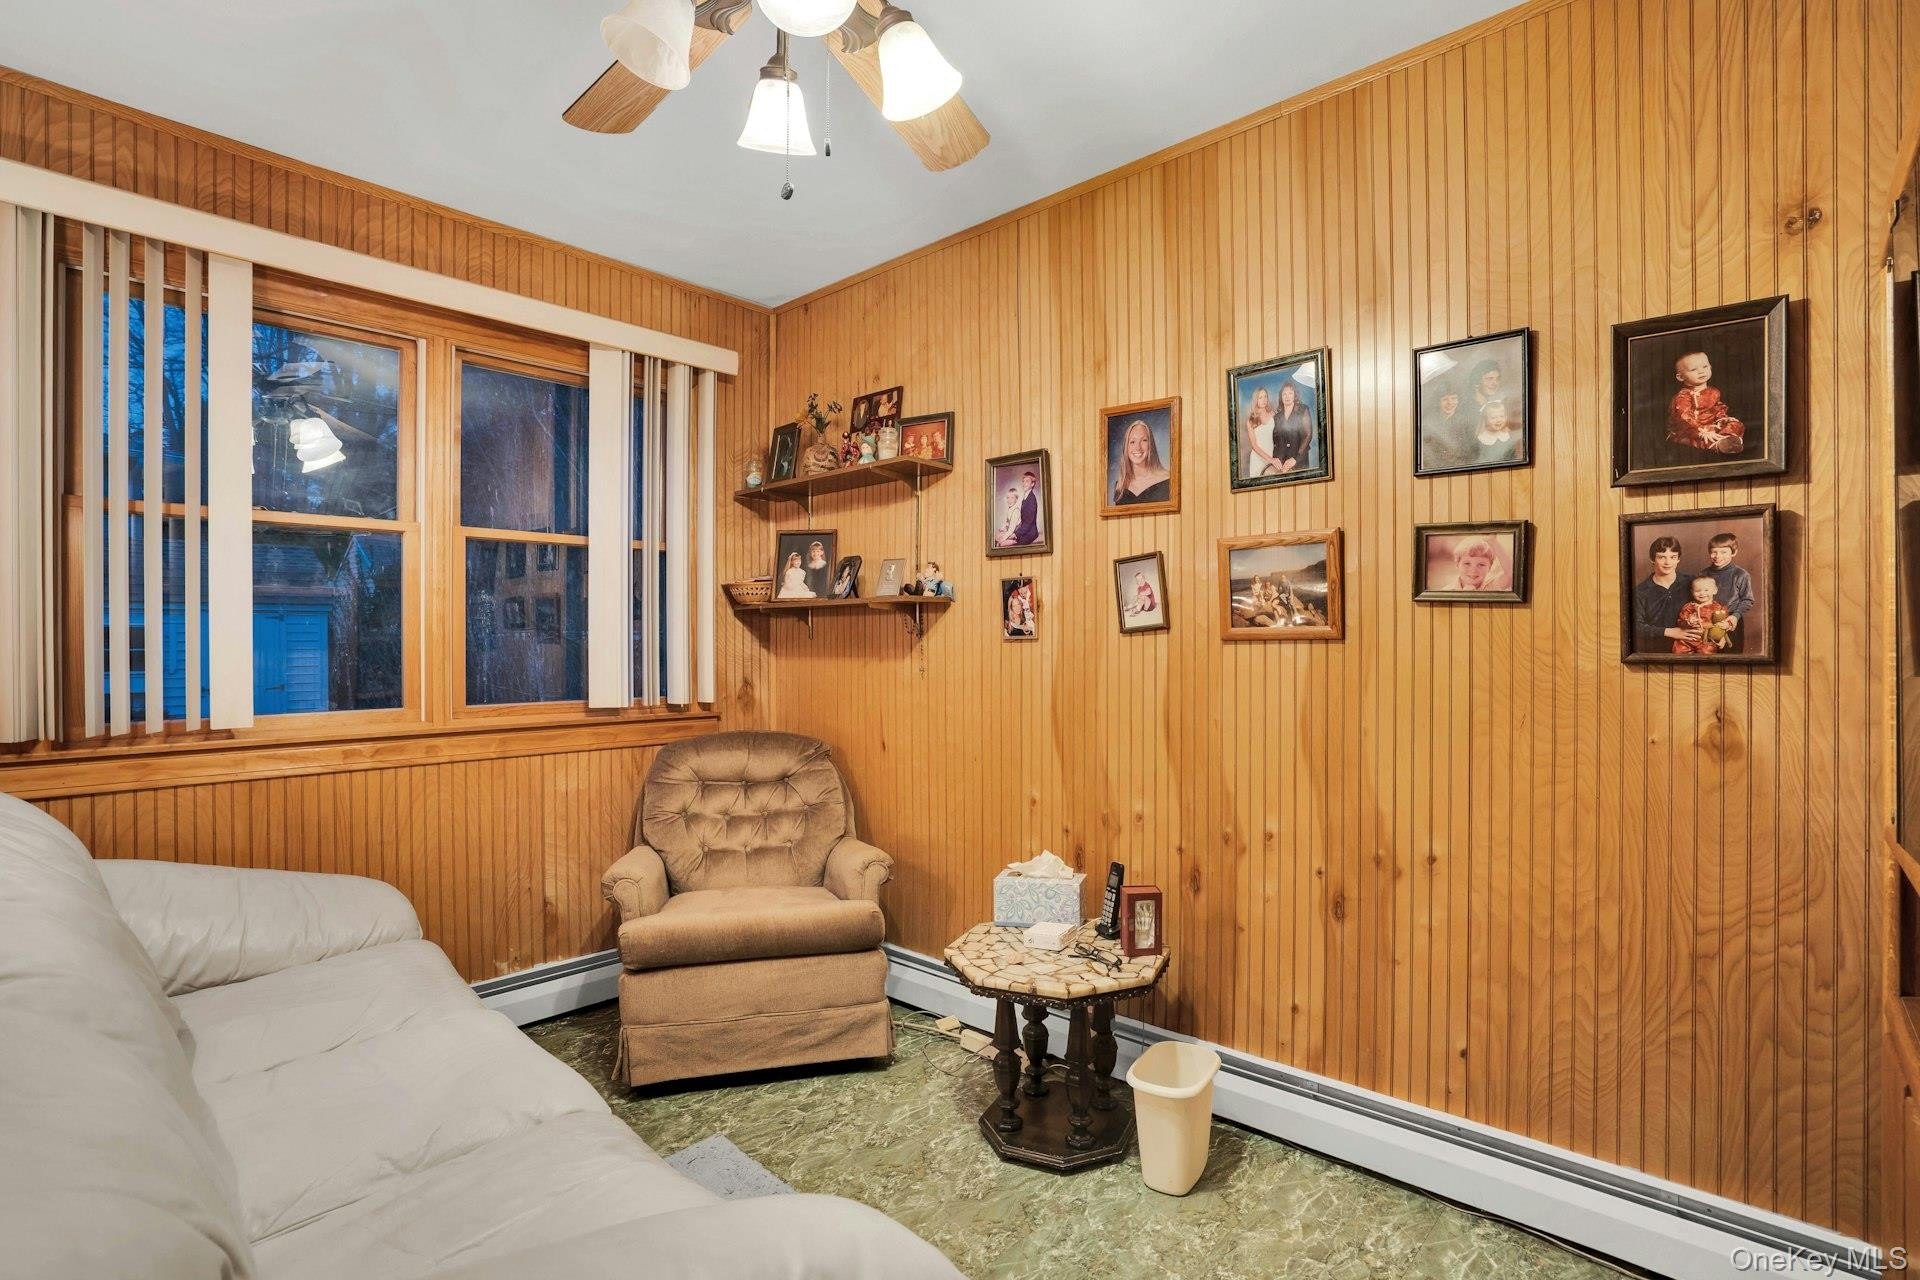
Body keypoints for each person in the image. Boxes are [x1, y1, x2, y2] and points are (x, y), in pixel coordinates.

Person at [1667, 351, 1745, 454]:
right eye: (1693, 369)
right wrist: (1701, 431)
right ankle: (1718, 445)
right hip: (1692, 429)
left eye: (1705, 367)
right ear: (1681, 377)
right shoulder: (1683, 397)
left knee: (1736, 424)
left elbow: (1717, 408)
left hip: (1712, 424)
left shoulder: (1713, 392)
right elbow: (1684, 417)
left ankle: (1727, 438)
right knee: (1694, 439)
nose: (1701, 371)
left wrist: (1721, 418)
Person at [1631, 535, 1696, 651]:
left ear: (1678, 559)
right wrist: (1669, 632)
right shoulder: (1640, 591)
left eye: (1673, 557)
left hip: (1691, 648)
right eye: (1661, 557)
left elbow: (1709, 607)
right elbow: (1636, 626)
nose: (1668, 562)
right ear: (1652, 559)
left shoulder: (1691, 582)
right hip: (1657, 651)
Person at [1697, 531, 1754, 652]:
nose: (1718, 556)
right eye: (1714, 552)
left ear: (1734, 552)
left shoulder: (1741, 574)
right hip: (1707, 620)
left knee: (1730, 655)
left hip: (1731, 619)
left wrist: (1735, 617)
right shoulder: (1703, 574)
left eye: (1723, 552)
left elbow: (1747, 600)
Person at [1112, 419, 1172, 506]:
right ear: (1126, 447)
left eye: (1144, 440)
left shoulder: (1168, 480)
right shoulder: (1120, 486)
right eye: (1132, 442)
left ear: (1151, 445)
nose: (1138, 447)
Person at [1673, 575, 1733, 655]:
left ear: (1715, 590)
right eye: (1697, 591)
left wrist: (1727, 625)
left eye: (1706, 590)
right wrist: (1688, 621)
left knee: (1706, 653)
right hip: (1689, 638)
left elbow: (1727, 620)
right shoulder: (1689, 607)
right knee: (1679, 651)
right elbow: (1680, 621)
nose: (1702, 593)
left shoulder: (1719, 607)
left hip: (1707, 639)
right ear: (1692, 592)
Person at [1421, 384, 1472, 470]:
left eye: (1453, 398)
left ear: (1458, 400)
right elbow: (1427, 454)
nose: (1450, 403)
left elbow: (1469, 452)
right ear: (1438, 402)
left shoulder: (1465, 422)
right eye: (1445, 399)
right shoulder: (1428, 424)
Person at [1270, 381, 1315, 474]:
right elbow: (1276, 441)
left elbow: (1308, 434)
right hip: (1281, 463)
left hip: (1299, 460)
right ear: (1281, 397)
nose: (1287, 396)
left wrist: (1295, 459)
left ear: (1295, 395)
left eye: (1290, 393)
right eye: (1284, 394)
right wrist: (1277, 460)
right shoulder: (1277, 417)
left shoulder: (1303, 409)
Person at [1242, 386, 1280, 479]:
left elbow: (1280, 436)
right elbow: (1254, 445)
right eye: (1260, 397)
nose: (1264, 400)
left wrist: (1274, 458)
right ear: (1256, 400)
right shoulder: (1250, 421)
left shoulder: (1274, 414)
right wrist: (1270, 459)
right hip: (1258, 458)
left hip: (1273, 454)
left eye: (1265, 396)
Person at [1011, 471, 1043, 546]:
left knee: (1014, 546)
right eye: (1023, 481)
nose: (1024, 483)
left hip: (1030, 533)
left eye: (1027, 481)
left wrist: (1015, 534)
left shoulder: (1032, 499)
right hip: (1025, 530)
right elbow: (1024, 519)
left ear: (1032, 484)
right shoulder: (1026, 497)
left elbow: (1028, 523)